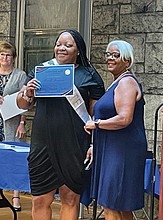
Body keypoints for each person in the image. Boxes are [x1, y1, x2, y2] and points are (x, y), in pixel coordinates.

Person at [16, 29, 105, 220]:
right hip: (43, 143)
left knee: (70, 197)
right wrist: (28, 93)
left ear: (79, 50)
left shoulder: (89, 75)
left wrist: (93, 144)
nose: (61, 48)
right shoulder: (42, 70)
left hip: (74, 143)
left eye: (68, 45)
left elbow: (95, 114)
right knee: (40, 199)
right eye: (58, 44)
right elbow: (22, 104)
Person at [84, 40, 148, 220]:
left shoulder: (126, 82)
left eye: (116, 55)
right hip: (111, 148)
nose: (110, 58)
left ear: (127, 61)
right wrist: (95, 145)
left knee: (111, 202)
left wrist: (95, 124)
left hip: (123, 150)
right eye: (108, 54)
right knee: (121, 205)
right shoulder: (117, 82)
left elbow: (124, 118)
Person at [0, 40, 27, 211]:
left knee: (13, 159)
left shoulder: (20, 75)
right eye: (2, 54)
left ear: (14, 58)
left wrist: (22, 122)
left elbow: (25, 101)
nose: (5, 58)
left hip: (12, 123)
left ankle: (16, 197)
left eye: (8, 55)